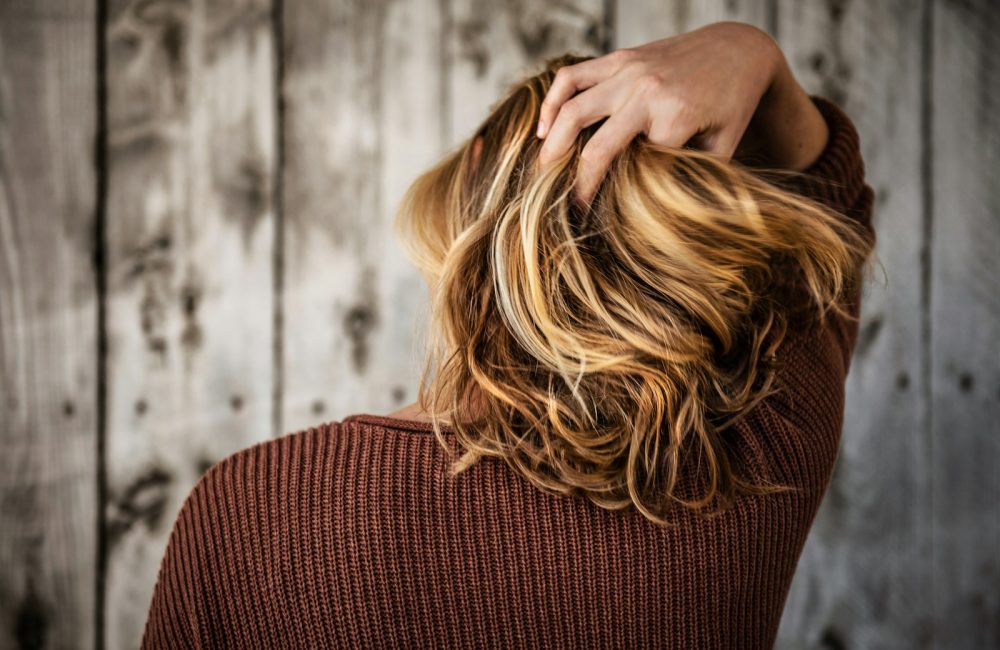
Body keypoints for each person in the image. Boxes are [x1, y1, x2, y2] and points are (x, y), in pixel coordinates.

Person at [141, 21, 876, 649]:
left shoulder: (249, 517)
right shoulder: (758, 459)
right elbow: (834, 212)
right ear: (682, 238)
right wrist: (752, 56)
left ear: (471, 194)